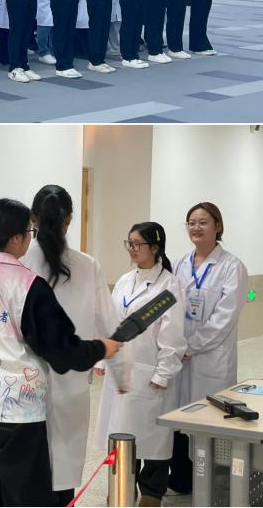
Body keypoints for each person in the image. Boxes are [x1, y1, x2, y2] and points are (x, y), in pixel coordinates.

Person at [0, 198, 121, 507]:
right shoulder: (29, 284)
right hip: (16, 413)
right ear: (17, 238)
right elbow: (62, 351)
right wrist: (102, 348)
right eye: (29, 232)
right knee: (25, 497)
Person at [20, 185, 118, 505]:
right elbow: (111, 326)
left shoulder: (17, 263)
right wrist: (121, 371)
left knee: (25, 469)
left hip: (20, 383)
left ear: (33, 219)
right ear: (69, 220)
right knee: (61, 469)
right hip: (72, 379)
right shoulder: (87, 265)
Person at [95, 222, 185, 508]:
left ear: (155, 247)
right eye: (129, 243)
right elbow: (109, 321)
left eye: (137, 244)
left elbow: (173, 335)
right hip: (121, 371)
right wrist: (102, 356)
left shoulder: (169, 285)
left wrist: (164, 372)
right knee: (122, 434)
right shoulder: (125, 280)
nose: (132, 249)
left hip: (150, 372)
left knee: (153, 438)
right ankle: (123, 485)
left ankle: (152, 492)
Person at [170, 202, 248, 494]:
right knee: (180, 416)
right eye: (191, 222)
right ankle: (181, 479)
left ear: (218, 226)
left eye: (203, 222)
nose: (196, 227)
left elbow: (224, 319)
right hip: (182, 355)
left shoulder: (231, 267)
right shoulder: (180, 264)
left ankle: (212, 483)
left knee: (209, 418)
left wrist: (192, 345)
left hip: (211, 357)